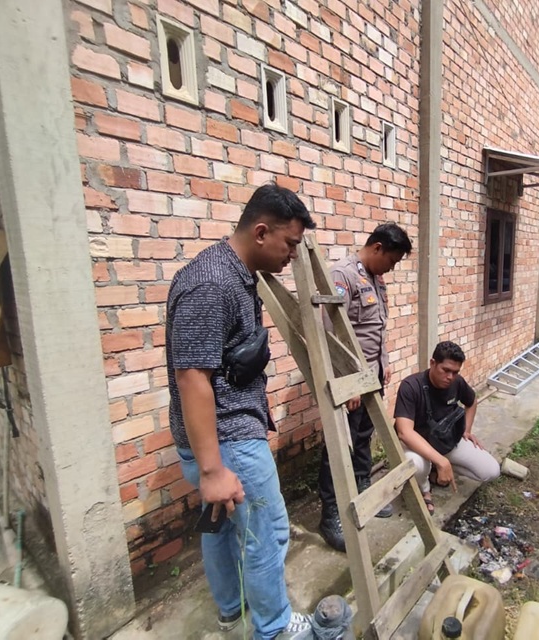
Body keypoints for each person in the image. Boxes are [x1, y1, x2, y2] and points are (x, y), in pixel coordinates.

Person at [166, 184, 316, 639]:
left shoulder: (234, 274)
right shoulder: (212, 282)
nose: (293, 254)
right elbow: (192, 377)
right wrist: (212, 470)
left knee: (224, 530)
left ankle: (232, 612)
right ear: (261, 231)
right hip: (229, 442)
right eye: (290, 244)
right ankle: (272, 629)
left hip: (225, 439)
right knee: (267, 534)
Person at [317, 223, 413, 552]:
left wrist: (383, 364)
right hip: (350, 382)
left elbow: (376, 326)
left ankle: (364, 492)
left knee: (362, 439)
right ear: (377, 248)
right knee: (338, 446)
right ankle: (330, 514)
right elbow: (329, 336)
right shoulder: (341, 276)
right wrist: (348, 382)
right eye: (392, 260)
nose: (393, 267)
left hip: (371, 377)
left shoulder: (375, 277)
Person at [393, 341, 500, 514]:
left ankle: (436, 471)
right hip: (417, 445)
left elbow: (471, 402)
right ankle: (425, 489)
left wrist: (467, 430)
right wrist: (441, 461)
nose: (450, 377)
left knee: (491, 471)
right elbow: (404, 432)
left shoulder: (457, 383)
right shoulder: (411, 386)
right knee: (416, 465)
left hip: (446, 439)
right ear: (433, 363)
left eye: (455, 372)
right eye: (446, 370)